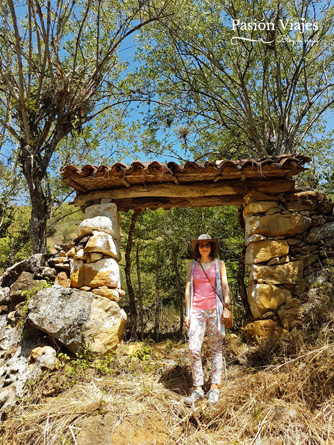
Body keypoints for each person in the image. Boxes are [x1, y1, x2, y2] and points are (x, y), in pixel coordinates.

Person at [183, 234, 231, 406]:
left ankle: (214, 387)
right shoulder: (192, 265)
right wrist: (187, 313)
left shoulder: (220, 264)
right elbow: (188, 288)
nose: (204, 248)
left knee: (216, 348)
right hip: (197, 311)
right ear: (197, 248)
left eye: (207, 245)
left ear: (212, 247)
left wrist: (226, 307)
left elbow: (225, 285)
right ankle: (197, 389)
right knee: (193, 348)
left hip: (215, 310)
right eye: (201, 245)